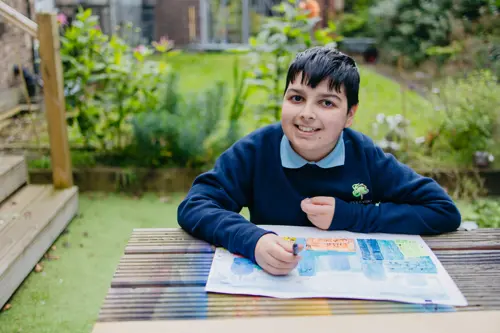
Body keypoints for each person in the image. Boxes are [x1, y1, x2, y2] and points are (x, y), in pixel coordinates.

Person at [177, 46, 461, 276]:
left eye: (327, 103)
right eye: (297, 98)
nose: (307, 114)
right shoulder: (256, 151)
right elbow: (196, 205)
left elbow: (443, 210)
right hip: (275, 288)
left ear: (350, 114)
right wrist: (253, 240)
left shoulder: (365, 156)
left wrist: (351, 216)